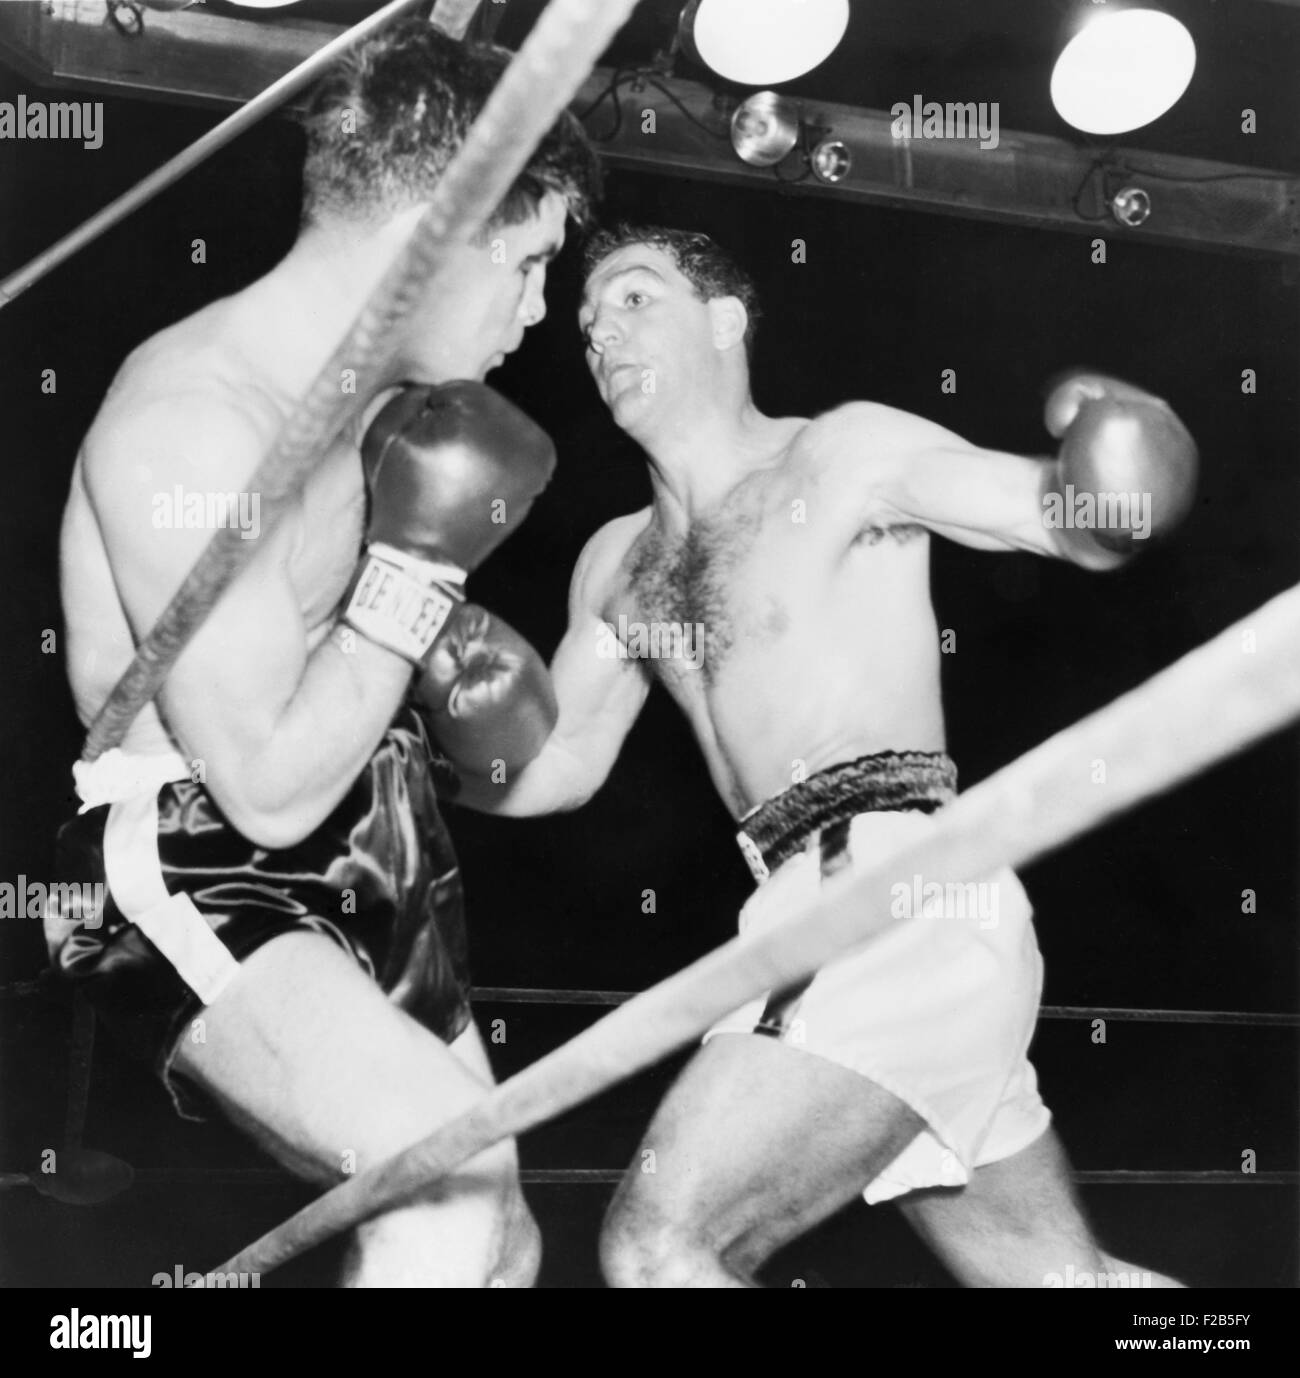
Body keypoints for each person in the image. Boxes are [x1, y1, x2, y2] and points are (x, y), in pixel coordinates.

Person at [457, 223, 1198, 1287]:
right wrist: (444, 734)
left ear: (725, 322)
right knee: (1066, 1286)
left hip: (892, 890)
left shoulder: (842, 455)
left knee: (663, 1244)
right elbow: (552, 766)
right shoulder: (619, 561)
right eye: (584, 323)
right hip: (795, 903)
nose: (597, 332)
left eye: (631, 299)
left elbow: (1063, 521)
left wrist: (1119, 473)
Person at [47, 22, 599, 1287]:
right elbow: (269, 785)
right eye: (524, 263)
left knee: (501, 1243)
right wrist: (417, 580)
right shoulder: (196, 425)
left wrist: (429, 643)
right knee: (440, 1186)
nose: (535, 310)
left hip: (380, 825)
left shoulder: (371, 408)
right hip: (207, 843)